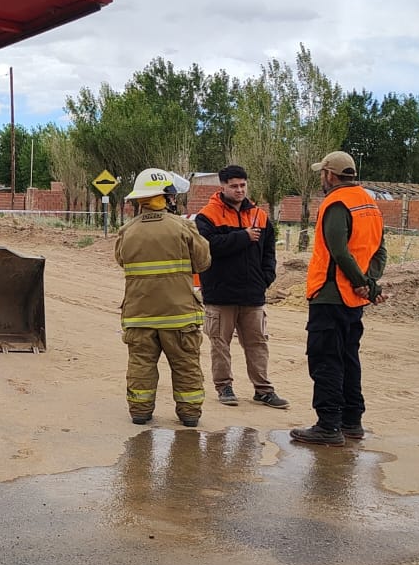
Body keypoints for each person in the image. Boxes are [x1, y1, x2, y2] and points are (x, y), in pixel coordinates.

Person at [290, 151, 388, 447]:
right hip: (354, 299)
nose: (321, 179)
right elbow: (380, 250)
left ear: (330, 175)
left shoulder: (336, 203)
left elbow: (339, 251)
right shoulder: (369, 203)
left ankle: (328, 425)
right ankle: (351, 421)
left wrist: (362, 283)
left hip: (330, 295)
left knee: (325, 360)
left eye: (322, 174)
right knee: (348, 358)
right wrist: (368, 284)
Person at [115, 168, 212, 427]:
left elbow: (122, 261)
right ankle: (189, 414)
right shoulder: (183, 227)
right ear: (166, 196)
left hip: (139, 315)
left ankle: (140, 412)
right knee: (186, 365)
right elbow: (203, 262)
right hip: (179, 316)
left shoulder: (127, 231)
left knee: (141, 366)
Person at [194, 165, 289, 410]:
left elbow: (268, 251)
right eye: (234, 186)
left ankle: (263, 390)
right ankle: (224, 387)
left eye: (243, 185)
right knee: (220, 344)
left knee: (258, 343)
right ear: (222, 187)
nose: (239, 190)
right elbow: (208, 247)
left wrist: (266, 277)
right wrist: (243, 237)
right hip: (220, 293)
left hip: (252, 294)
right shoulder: (207, 216)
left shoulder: (260, 216)